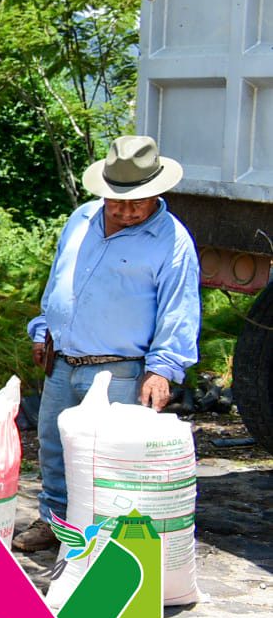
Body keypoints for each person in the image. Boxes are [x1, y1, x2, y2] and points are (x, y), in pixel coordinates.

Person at [13, 135, 201, 553]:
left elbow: (179, 310)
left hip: (121, 369)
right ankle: (53, 522)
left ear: (157, 193)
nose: (127, 210)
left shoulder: (172, 242)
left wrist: (163, 369)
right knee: (54, 448)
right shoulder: (81, 218)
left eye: (138, 201)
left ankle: (107, 538)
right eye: (118, 200)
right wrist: (45, 327)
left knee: (112, 460)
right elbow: (61, 277)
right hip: (63, 361)